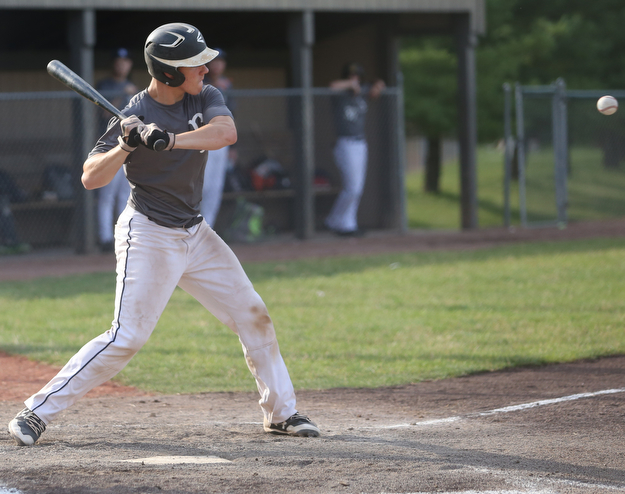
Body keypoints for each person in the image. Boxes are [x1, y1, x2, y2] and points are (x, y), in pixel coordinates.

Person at [7, 22, 319, 446]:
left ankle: (281, 413)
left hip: (197, 233)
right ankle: (36, 412)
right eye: (196, 65)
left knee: (254, 315)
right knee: (127, 336)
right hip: (150, 234)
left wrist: (168, 139)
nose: (206, 69)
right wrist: (126, 145)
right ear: (169, 73)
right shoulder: (134, 112)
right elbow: (89, 178)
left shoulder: (205, 96)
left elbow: (225, 133)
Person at [325, 62, 385, 237]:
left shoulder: (362, 92)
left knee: (357, 188)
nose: (355, 79)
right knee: (352, 188)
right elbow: (332, 86)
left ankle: (348, 224)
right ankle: (335, 221)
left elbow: (376, 90)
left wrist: (378, 84)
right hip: (345, 143)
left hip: (361, 143)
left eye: (357, 76)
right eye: (351, 76)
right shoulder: (341, 93)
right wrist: (350, 84)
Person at [95, 48, 137, 252]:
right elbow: (105, 114)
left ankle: (122, 237)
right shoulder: (105, 85)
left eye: (126, 61)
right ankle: (104, 239)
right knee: (107, 195)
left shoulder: (133, 86)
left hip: (130, 146)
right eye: (119, 61)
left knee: (125, 195)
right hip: (110, 146)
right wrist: (123, 94)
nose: (122, 64)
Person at [200, 48, 237, 227]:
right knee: (202, 187)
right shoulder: (198, 83)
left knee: (215, 189)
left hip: (222, 142)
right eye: (213, 61)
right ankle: (194, 228)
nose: (217, 65)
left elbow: (233, 116)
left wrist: (234, 147)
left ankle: (208, 229)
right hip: (203, 141)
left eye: (220, 61)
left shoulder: (227, 86)